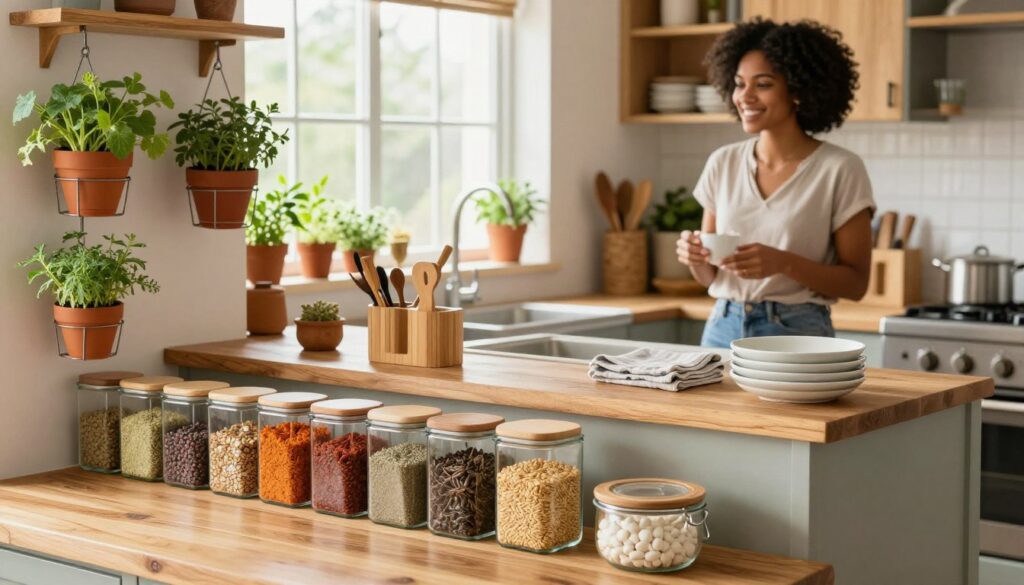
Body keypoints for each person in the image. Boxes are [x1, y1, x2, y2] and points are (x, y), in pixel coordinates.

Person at [677, 18, 876, 348]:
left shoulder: (840, 169)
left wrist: (782, 262)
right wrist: (696, 258)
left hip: (797, 332)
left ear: (797, 90)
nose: (745, 96)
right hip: (722, 326)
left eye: (763, 84)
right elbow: (712, 276)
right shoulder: (722, 163)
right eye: (739, 84)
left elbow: (856, 284)